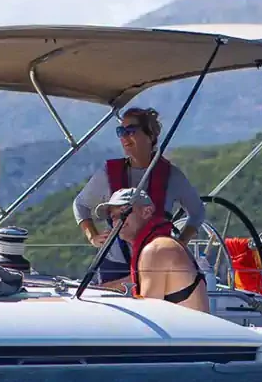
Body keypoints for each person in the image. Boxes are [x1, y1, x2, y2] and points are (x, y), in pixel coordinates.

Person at [72, 107, 207, 286]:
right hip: (114, 266)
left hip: (156, 264)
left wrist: (180, 244)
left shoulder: (171, 176)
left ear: (150, 135)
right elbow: (80, 204)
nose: (124, 137)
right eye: (120, 132)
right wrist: (93, 237)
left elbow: (197, 212)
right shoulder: (107, 173)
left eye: (131, 131)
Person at [92, 188, 209, 312]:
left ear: (146, 212)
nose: (118, 222)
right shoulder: (159, 246)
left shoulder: (156, 250)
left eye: (124, 213)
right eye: (113, 217)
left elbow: (148, 313)